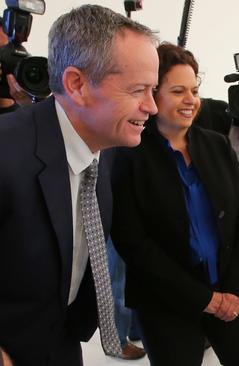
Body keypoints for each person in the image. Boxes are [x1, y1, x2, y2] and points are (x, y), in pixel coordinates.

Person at [0, 5, 158, 366]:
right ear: (77, 84)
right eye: (138, 90)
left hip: (61, 343)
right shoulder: (5, 153)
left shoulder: (104, 148)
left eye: (152, 89)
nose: (151, 105)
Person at [110, 43, 239, 366]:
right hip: (165, 302)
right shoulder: (127, 156)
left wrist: (236, 291)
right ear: (153, 95)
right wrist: (205, 300)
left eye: (194, 90)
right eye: (178, 90)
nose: (191, 100)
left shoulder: (217, 145)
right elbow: (134, 245)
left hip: (229, 290)